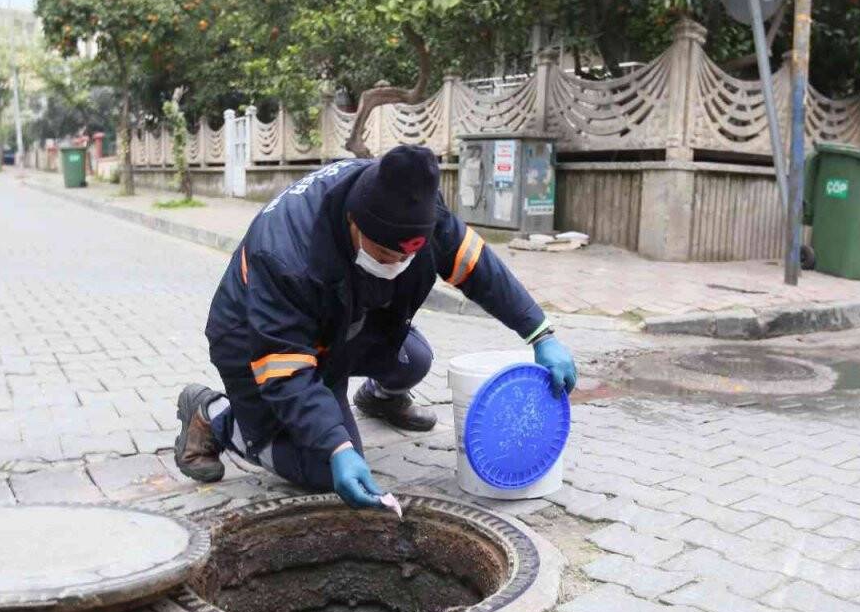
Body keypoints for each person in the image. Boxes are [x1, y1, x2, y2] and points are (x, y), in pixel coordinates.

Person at [174, 145, 577, 509]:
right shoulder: (285, 253)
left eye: (404, 258)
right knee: (322, 469)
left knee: (413, 360)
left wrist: (540, 333)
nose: (394, 266)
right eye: (383, 253)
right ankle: (217, 415)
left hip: (339, 324)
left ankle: (378, 400)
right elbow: (286, 371)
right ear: (353, 221)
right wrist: (337, 447)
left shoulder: (412, 201)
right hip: (256, 343)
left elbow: (477, 267)